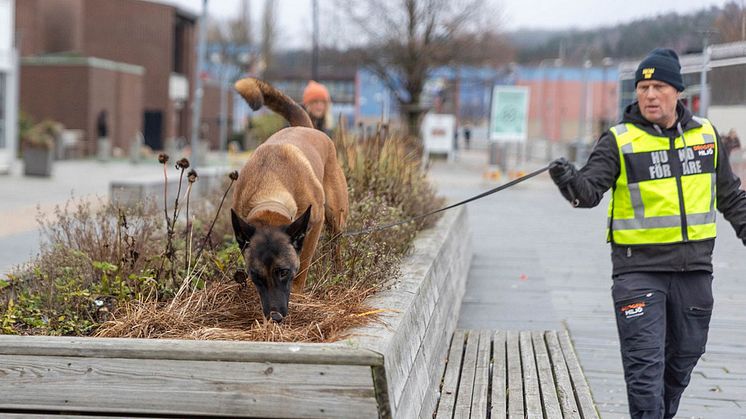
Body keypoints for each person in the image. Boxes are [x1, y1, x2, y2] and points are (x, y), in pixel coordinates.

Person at [548, 48, 746, 419]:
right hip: (638, 273)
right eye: (642, 87)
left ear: (678, 92)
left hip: (694, 272)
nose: (649, 95)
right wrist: (567, 179)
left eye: (658, 86)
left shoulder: (706, 136)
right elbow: (588, 192)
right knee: (644, 370)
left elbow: (731, 197)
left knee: (683, 360)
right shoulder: (619, 141)